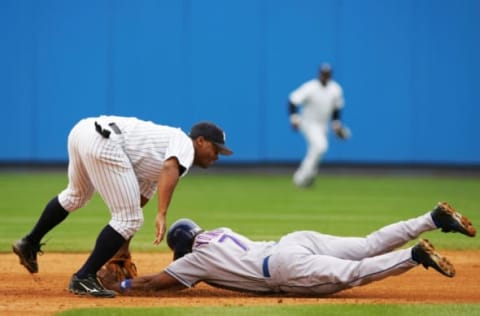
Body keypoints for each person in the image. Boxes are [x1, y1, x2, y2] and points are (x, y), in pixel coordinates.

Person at [12, 115, 233, 298]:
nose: (217, 156)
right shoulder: (184, 145)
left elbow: (138, 200)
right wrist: (161, 213)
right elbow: (170, 168)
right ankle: (83, 277)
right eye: (216, 149)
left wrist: (123, 250)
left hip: (83, 132)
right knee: (128, 219)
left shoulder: (157, 154)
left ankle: (29, 242)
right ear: (200, 141)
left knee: (76, 196)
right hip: (105, 141)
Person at [99, 201, 476, 296]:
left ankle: (414, 255)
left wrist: (125, 287)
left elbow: (156, 282)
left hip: (281, 268)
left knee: (353, 276)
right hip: (294, 241)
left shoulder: (197, 259)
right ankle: (430, 218)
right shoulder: (220, 232)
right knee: (367, 245)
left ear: (181, 249)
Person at [288, 63, 350, 188]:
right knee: (320, 147)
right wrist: (294, 118)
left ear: (331, 75)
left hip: (323, 125)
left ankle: (309, 177)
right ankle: (299, 179)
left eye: (327, 74)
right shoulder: (310, 87)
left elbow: (336, 109)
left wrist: (336, 124)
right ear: (319, 73)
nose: (325, 76)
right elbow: (292, 100)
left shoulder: (335, 89)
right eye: (323, 73)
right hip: (308, 123)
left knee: (317, 151)